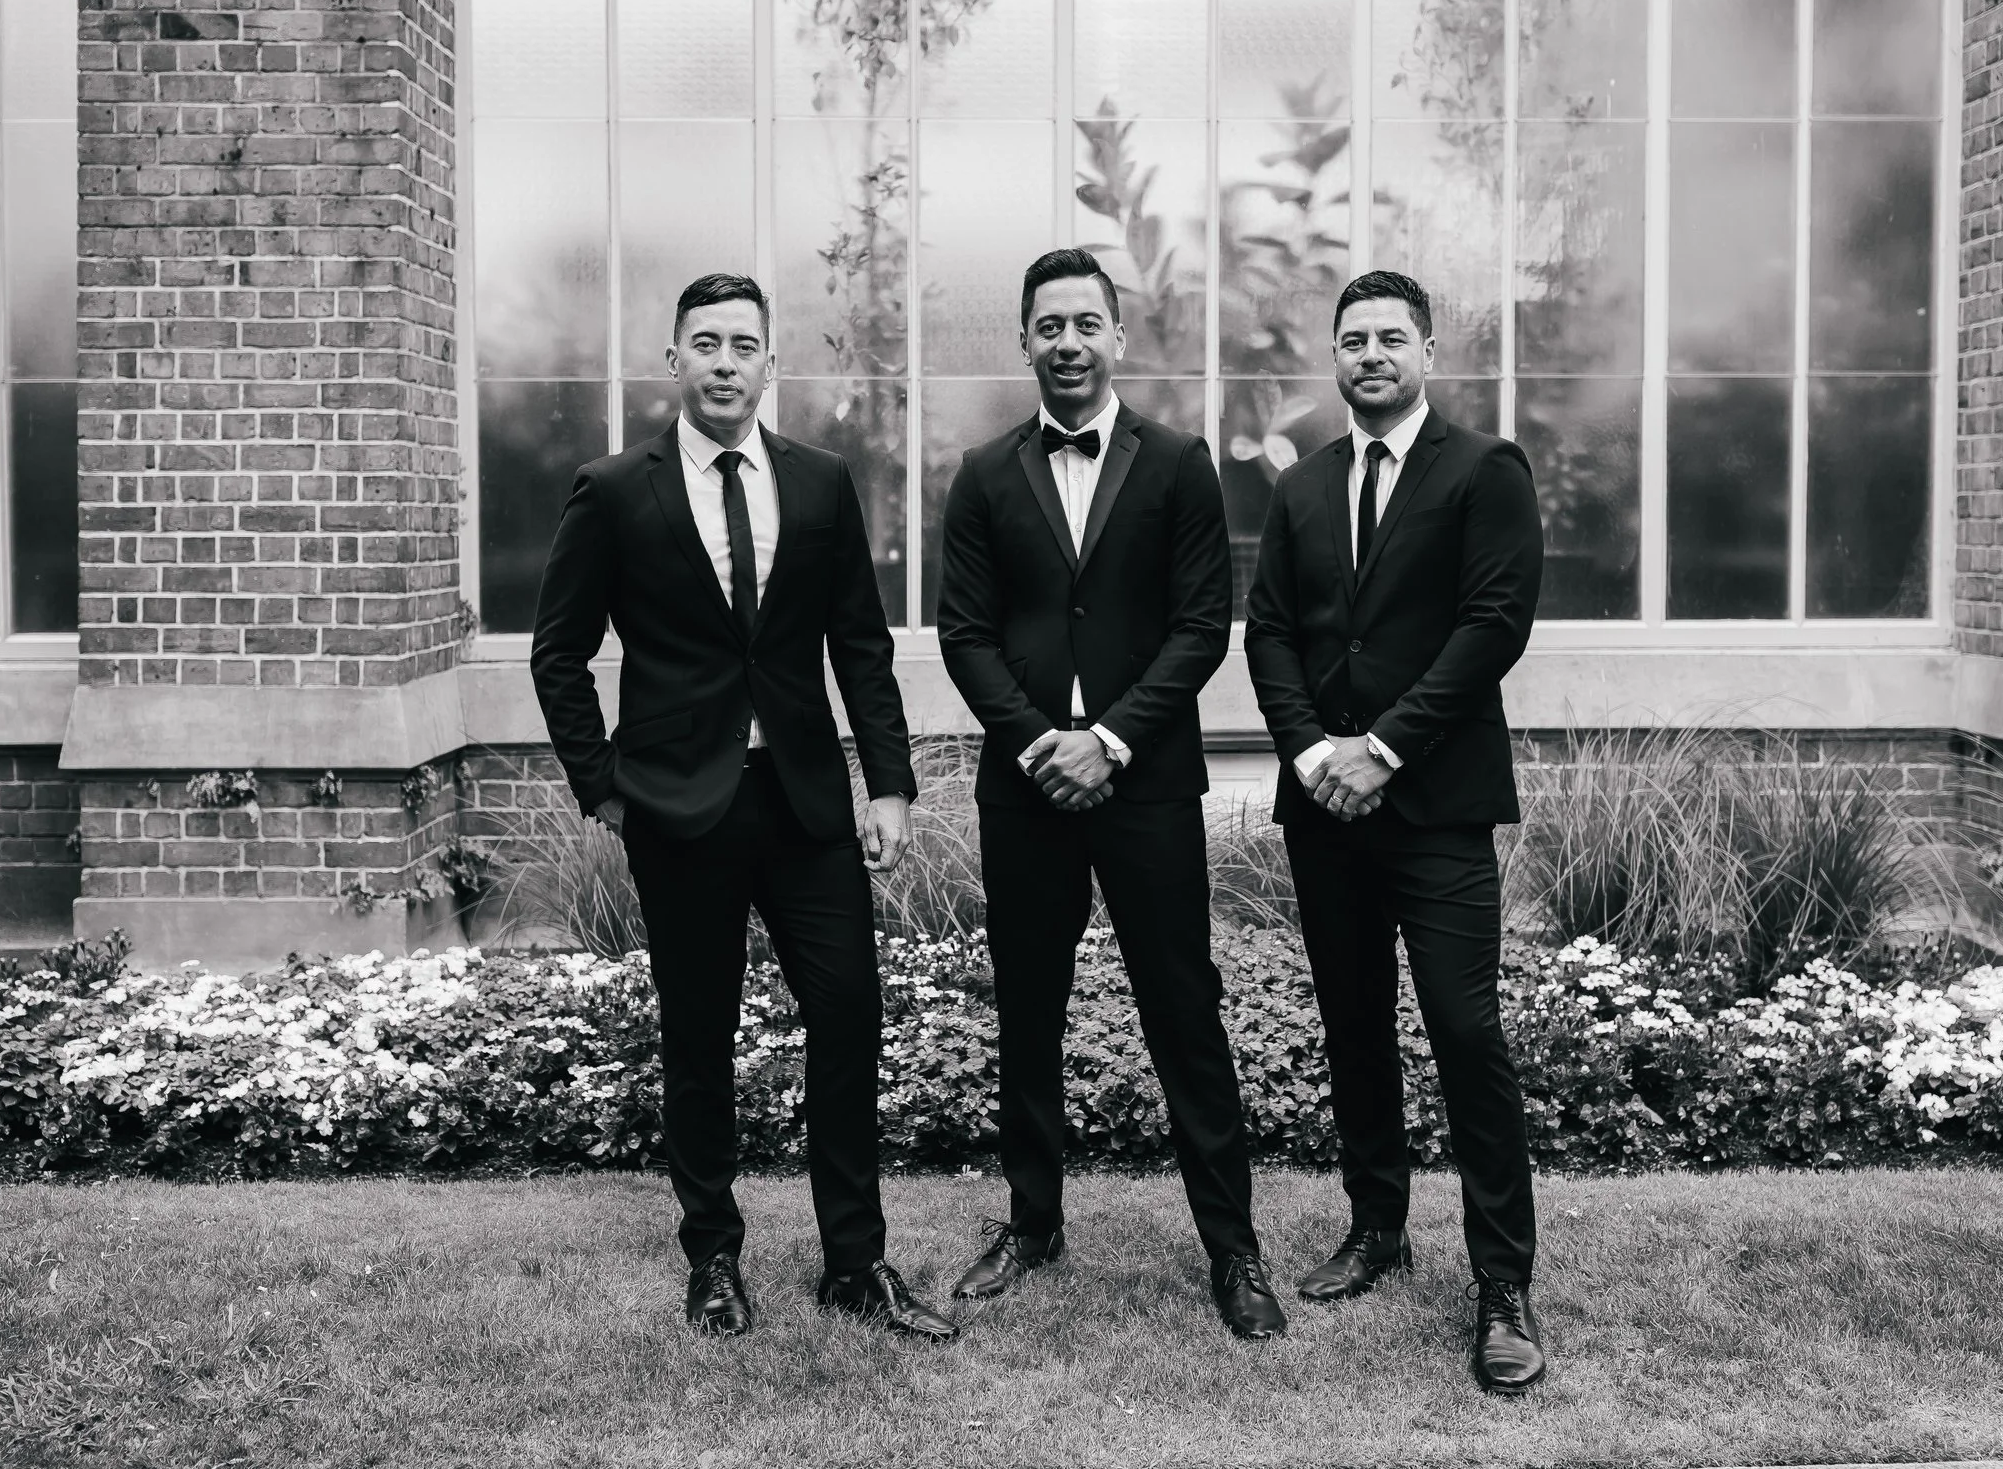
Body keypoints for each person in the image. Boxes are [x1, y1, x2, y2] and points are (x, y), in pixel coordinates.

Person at [529, 272, 956, 1343]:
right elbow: (559, 653)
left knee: (849, 1016)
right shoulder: (616, 488)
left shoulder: (817, 482)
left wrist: (890, 784)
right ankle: (713, 1255)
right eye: (705, 343)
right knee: (700, 1037)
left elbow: (859, 645)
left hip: (804, 801)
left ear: (773, 363)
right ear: (673, 361)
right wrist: (604, 787)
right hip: (681, 809)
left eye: (744, 345)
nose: (726, 362)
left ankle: (855, 1260)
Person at [934, 247, 1283, 1340]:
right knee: (1028, 1014)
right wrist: (1045, 740)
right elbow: (965, 633)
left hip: (1145, 786)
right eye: (1050, 325)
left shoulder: (1179, 462)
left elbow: (1198, 626)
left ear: (1117, 338)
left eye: (1087, 322)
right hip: (1026, 784)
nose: (1069, 342)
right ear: (1027, 340)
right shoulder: (985, 472)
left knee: (1184, 1010)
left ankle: (1233, 1248)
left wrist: (1112, 742)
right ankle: (1032, 1222)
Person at [1241, 269, 1550, 1393]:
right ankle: (1377, 1229)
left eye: (1389, 338)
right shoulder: (1304, 485)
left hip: (1435, 805)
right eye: (1352, 339)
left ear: (1427, 350)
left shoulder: (1483, 469)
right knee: (1354, 1025)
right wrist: (1316, 751)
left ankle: (1502, 1283)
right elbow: (1267, 630)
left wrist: (1386, 746)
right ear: (1334, 357)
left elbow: (1491, 624)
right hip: (1326, 803)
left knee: (1465, 1032)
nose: (1370, 354)